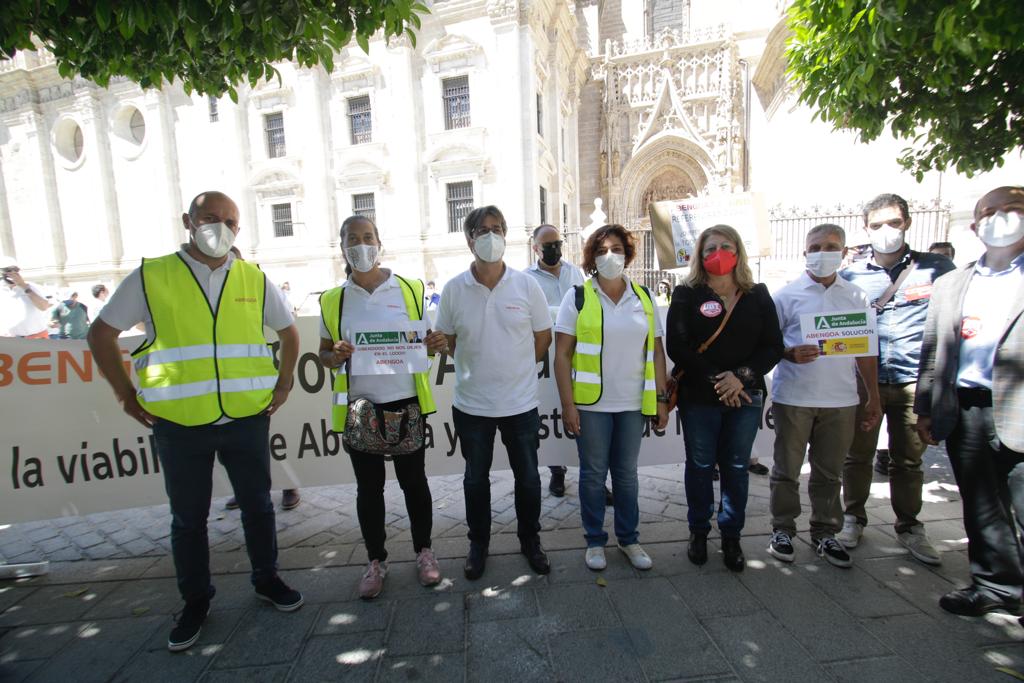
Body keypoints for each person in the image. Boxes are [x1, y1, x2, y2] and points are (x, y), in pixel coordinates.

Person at [87, 190, 304, 653]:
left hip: (245, 415)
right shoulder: (152, 276)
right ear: (188, 220)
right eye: (210, 217)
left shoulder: (251, 275)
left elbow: (288, 331)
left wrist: (284, 384)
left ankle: (267, 580)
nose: (220, 227)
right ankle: (195, 601)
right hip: (180, 422)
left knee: (259, 507)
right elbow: (101, 333)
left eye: (230, 221)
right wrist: (124, 394)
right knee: (188, 519)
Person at [318, 214, 446, 599]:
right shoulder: (332, 300)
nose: (361, 245)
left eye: (368, 237)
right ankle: (376, 561)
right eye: (352, 239)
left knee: (414, 484)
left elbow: (424, 341)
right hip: (361, 408)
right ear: (342, 248)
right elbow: (323, 355)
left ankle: (425, 552)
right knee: (368, 490)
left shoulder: (409, 288)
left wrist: (435, 343)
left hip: (406, 402)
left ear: (380, 242)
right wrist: (335, 355)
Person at [915, 185, 1024, 617]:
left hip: (1016, 405)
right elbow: (932, 350)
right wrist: (925, 407)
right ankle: (995, 585)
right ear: (976, 226)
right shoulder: (952, 283)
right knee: (981, 503)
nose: (1000, 218)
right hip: (964, 406)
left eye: (1012, 209)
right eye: (990, 212)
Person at [436, 205, 553, 580]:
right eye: (483, 230)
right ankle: (478, 544)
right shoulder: (454, 289)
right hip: (472, 405)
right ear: (469, 239)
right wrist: (481, 366)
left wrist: (515, 368)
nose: (491, 236)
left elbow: (543, 337)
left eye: (497, 228)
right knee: (475, 479)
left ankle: (530, 540)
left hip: (520, 403)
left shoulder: (526, 285)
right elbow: (450, 342)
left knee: (530, 479)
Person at [837, 193, 955, 565]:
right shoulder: (851, 274)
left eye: (893, 222)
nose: (885, 231)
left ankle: (910, 526)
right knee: (857, 456)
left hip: (912, 381)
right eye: (876, 225)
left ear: (907, 222)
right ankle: (853, 517)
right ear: (865, 228)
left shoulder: (936, 269)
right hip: (864, 382)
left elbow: (948, 327)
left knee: (908, 459)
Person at [666, 225, 783, 571]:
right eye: (709, 247)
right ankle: (698, 531)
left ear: (738, 251)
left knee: (736, 467)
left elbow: (773, 346)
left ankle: (731, 535)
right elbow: (678, 346)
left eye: (726, 246)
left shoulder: (758, 294)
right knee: (700, 466)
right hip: (701, 395)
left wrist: (740, 378)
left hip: (745, 395)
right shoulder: (686, 294)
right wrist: (719, 380)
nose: (718, 252)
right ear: (699, 256)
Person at [553, 224, 669, 570]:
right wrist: (568, 405)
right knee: (591, 475)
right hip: (591, 406)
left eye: (617, 249)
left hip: (634, 403)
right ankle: (594, 540)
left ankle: (629, 539)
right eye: (602, 250)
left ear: (627, 255)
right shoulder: (577, 297)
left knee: (626, 475)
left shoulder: (644, 298)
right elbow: (561, 356)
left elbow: (658, 352)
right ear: (591, 258)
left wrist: (662, 399)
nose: (610, 256)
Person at [768, 224, 881, 569]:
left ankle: (825, 532)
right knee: (786, 469)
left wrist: (873, 397)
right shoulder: (786, 296)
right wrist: (788, 353)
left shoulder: (857, 296)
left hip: (841, 400)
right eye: (816, 246)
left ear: (844, 252)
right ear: (805, 252)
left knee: (829, 472)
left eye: (831, 246)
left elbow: (866, 351)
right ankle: (782, 529)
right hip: (795, 397)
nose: (822, 252)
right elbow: (768, 345)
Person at [222, 247, 301, 512]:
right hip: (224, 389)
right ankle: (243, 490)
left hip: (258, 384)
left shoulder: (257, 283)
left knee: (276, 439)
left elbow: (287, 327)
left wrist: (283, 382)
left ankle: (288, 486)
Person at [524, 223, 586, 499]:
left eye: (557, 244)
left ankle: (592, 475)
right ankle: (556, 470)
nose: (554, 250)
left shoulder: (575, 272)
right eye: (547, 246)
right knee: (549, 407)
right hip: (545, 353)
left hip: (575, 353)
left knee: (582, 412)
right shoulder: (526, 278)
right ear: (535, 248)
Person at [0, 256, 50, 338]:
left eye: (16, 270)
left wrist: (24, 287)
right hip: (13, 340)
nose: (13, 273)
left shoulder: (31, 287)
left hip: (37, 337)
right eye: (8, 270)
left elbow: (44, 306)